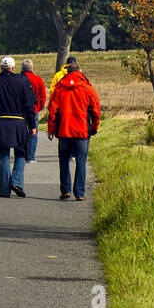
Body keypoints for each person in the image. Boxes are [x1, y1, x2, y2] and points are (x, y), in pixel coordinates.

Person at [0, 56, 38, 198]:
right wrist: (32, 125)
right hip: (18, 122)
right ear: (13, 68)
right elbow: (30, 106)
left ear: (1, 68)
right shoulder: (22, 83)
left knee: (3, 155)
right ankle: (16, 181)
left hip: (0, 123)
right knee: (21, 153)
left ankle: (5, 190)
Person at [47, 58, 101, 201]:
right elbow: (96, 110)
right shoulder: (87, 88)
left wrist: (51, 129)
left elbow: (52, 110)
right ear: (79, 72)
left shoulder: (59, 88)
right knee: (81, 161)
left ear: (67, 72)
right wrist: (94, 127)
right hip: (82, 131)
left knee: (64, 160)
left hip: (64, 131)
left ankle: (65, 190)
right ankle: (80, 193)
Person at [21, 59, 47, 162]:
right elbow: (43, 95)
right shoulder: (38, 79)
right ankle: (31, 157)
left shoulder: (19, 79)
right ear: (32, 68)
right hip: (34, 110)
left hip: (21, 111)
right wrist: (39, 107)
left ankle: (22, 156)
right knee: (33, 133)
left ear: (22, 68)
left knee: (22, 133)